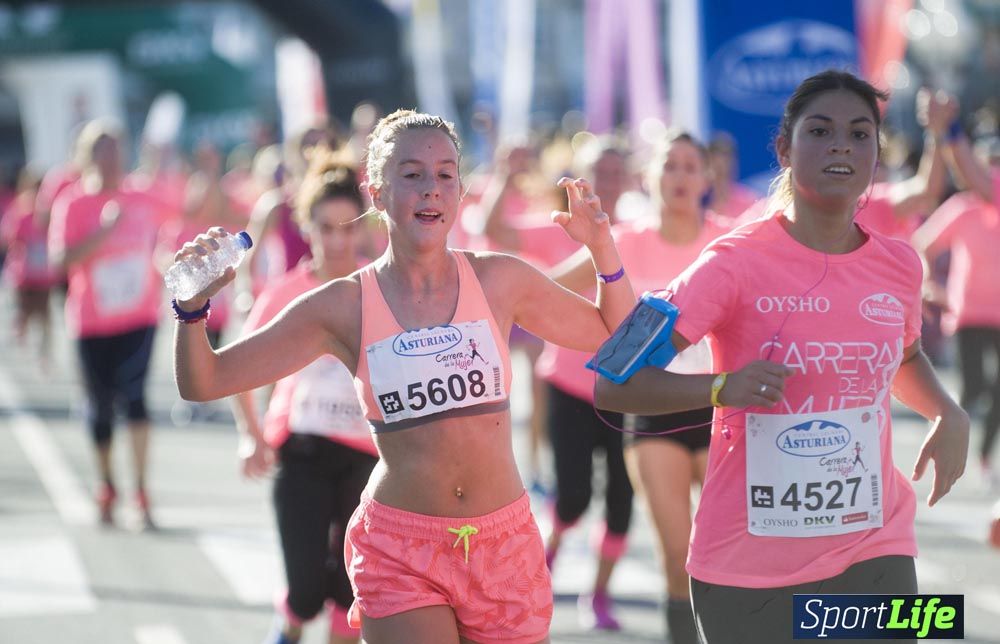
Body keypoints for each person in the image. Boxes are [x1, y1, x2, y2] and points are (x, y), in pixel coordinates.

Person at [172, 109, 636, 643]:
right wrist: (192, 310)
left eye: (444, 175)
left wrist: (602, 247)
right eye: (411, 174)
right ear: (376, 192)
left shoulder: (500, 279)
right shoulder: (341, 305)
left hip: (503, 543)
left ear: (461, 191)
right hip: (403, 549)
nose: (431, 190)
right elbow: (205, 382)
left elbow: (617, 337)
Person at [594, 70, 969, 644]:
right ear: (785, 149)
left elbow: (906, 356)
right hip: (749, 571)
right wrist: (720, 387)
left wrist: (949, 411)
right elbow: (613, 381)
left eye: (860, 133)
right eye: (820, 131)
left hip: (875, 546)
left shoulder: (899, 265)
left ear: (876, 152)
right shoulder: (731, 262)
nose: (841, 144)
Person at [547, 130, 727, 641]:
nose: (680, 176)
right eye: (670, 165)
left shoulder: (731, 240)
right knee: (678, 556)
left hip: (722, 408)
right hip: (652, 414)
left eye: (692, 166)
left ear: (707, 178)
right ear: (650, 177)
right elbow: (546, 290)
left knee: (730, 555)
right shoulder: (623, 240)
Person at [230, 153, 377, 644]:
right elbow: (236, 369)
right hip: (302, 451)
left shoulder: (380, 284)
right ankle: (287, 628)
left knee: (350, 591)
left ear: (361, 228)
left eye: (346, 228)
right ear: (305, 226)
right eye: (324, 228)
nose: (336, 241)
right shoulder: (285, 292)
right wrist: (250, 436)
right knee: (305, 590)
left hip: (368, 458)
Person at [48, 119, 175, 528]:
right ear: (88, 158)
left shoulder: (142, 194)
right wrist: (105, 231)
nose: (111, 160)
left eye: (117, 151)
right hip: (90, 322)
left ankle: (140, 488)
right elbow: (61, 261)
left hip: (139, 318)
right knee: (101, 409)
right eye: (102, 152)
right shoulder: (73, 202)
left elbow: (184, 211)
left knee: (136, 399)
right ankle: (107, 483)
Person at [912, 100, 1000, 487]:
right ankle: (954, 444)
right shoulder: (963, 207)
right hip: (967, 314)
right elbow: (922, 244)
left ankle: (983, 455)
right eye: (990, 161)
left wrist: (949, 131)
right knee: (974, 385)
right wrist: (932, 280)